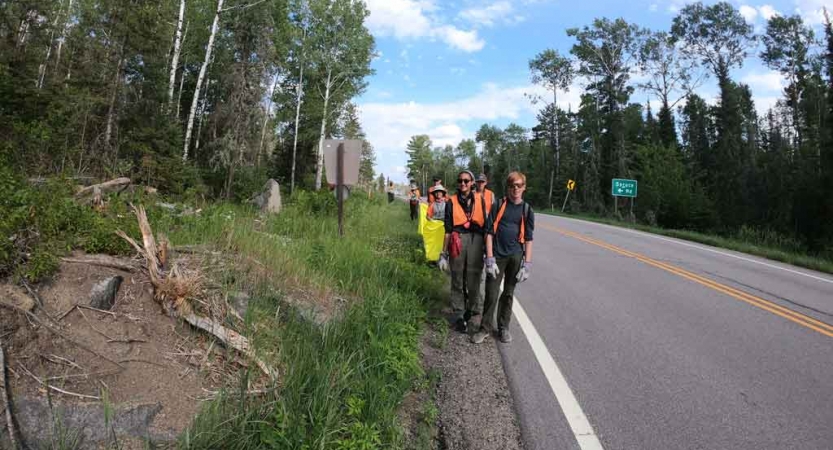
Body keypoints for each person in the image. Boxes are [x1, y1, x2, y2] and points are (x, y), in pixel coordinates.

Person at [471, 171, 534, 344]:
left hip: (515, 256)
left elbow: (528, 239)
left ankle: (503, 328)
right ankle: (484, 328)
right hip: (497, 256)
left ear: (524, 188)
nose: (516, 189)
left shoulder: (527, 210)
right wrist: (489, 258)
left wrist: (526, 264)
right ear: (508, 187)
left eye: (519, 185)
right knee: (491, 293)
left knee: (508, 294)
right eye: (513, 185)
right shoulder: (498, 205)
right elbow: (489, 233)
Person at [439, 170, 487, 335]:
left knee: (474, 277)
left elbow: (487, 225)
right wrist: (443, 254)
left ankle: (473, 309)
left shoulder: (480, 199)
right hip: (457, 239)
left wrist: (489, 252)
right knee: (457, 277)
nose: (463, 184)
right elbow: (447, 229)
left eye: (466, 181)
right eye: (460, 181)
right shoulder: (450, 201)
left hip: (476, 240)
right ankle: (459, 313)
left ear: (472, 182)